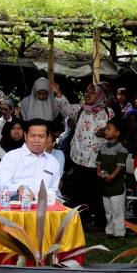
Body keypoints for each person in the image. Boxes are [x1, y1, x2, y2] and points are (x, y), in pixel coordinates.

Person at [51, 80, 114, 227]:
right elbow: (65, 109)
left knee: (97, 191)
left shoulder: (108, 112)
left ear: (100, 95)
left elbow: (116, 131)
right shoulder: (81, 109)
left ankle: (100, 222)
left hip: (99, 160)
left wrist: (106, 133)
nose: (88, 94)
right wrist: (58, 93)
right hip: (79, 158)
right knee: (79, 190)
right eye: (87, 91)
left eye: (93, 92)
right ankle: (80, 221)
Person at [0, 119, 62, 200]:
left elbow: (53, 190)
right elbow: (1, 185)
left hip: (43, 205)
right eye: (32, 136)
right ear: (25, 136)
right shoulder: (11, 157)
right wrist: (18, 188)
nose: (37, 140)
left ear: (47, 137)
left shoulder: (53, 162)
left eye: (41, 136)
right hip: (12, 205)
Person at [96, 118, 128, 238]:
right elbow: (98, 161)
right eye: (106, 129)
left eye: (109, 129)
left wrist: (112, 177)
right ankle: (110, 231)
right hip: (105, 184)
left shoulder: (121, 149)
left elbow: (120, 166)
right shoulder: (103, 147)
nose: (106, 131)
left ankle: (119, 232)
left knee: (117, 210)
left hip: (117, 185)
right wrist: (99, 172)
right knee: (108, 210)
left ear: (117, 133)